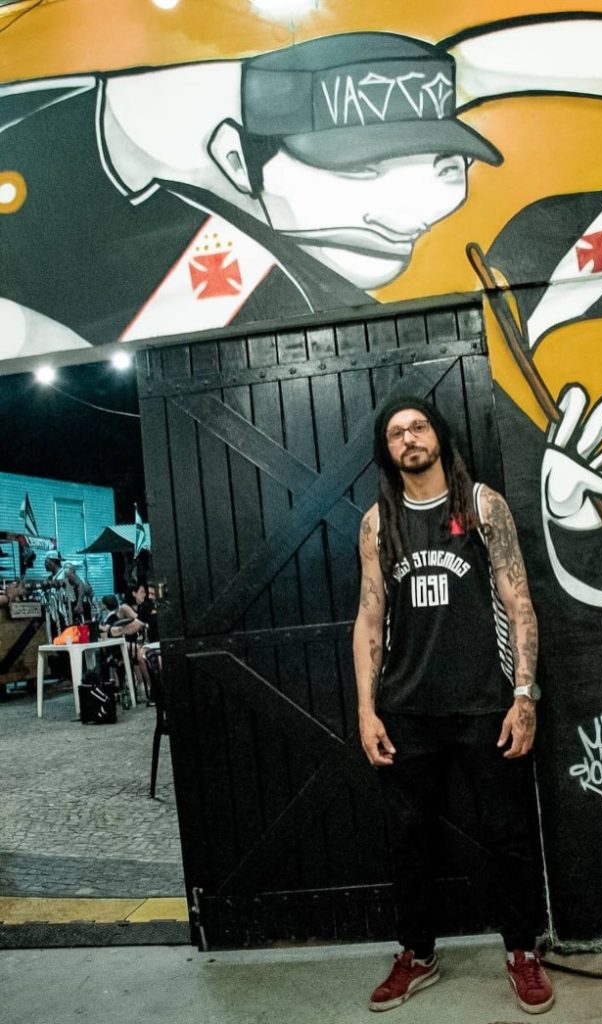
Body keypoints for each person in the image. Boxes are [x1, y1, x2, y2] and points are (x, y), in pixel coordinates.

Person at [0, 32, 501, 355]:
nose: (410, 214)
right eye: (359, 170)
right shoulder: (178, 257)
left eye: (446, 170)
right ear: (236, 159)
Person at [353, 398, 553, 1014]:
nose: (409, 438)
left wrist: (524, 695)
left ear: (438, 435)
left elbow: (519, 602)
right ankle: (417, 954)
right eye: (396, 433)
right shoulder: (378, 523)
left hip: (485, 702)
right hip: (407, 708)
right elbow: (369, 617)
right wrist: (366, 710)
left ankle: (521, 952)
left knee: (507, 833)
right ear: (387, 450)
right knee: (408, 839)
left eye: (418, 427)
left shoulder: (483, 506)